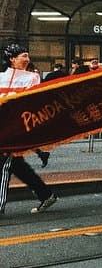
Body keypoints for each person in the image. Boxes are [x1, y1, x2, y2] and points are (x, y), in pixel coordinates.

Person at [0, 42, 60, 217]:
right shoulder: (1, 77)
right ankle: (46, 194)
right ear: (12, 59)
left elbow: (32, 104)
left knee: (3, 164)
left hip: (16, 130)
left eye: (27, 56)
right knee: (16, 165)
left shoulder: (32, 78)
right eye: (23, 56)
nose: (27, 59)